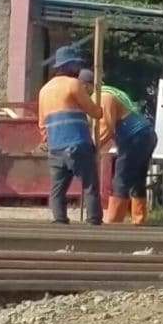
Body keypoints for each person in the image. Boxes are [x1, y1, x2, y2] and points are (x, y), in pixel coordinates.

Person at [37, 45, 105, 226]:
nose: (79, 68)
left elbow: (42, 125)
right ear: (69, 65)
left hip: (55, 147)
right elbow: (95, 112)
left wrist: (50, 142)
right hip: (78, 144)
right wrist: (98, 107)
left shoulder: (44, 90)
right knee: (90, 185)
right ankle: (94, 220)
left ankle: (59, 219)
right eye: (76, 64)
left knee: (58, 189)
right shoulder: (74, 84)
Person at [95, 80, 158, 225]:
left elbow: (107, 128)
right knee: (137, 178)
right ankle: (139, 218)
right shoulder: (112, 92)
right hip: (146, 134)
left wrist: (94, 146)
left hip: (134, 136)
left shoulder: (104, 97)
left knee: (121, 176)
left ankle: (115, 219)